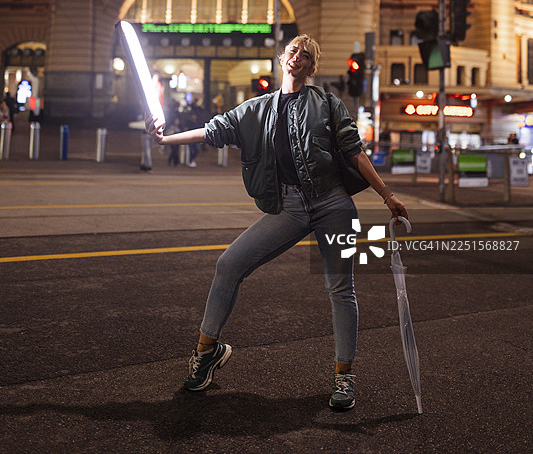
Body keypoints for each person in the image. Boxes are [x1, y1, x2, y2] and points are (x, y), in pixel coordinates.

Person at [145, 34, 407, 412]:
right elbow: (215, 130)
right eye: (293, 51)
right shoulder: (256, 110)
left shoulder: (327, 103)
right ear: (283, 58)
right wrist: (167, 140)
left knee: (340, 289)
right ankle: (207, 351)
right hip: (290, 206)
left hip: (334, 204)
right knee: (229, 264)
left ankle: (343, 376)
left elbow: (354, 152)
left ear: (311, 67)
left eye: (306, 56)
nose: (297, 58)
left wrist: (387, 195)